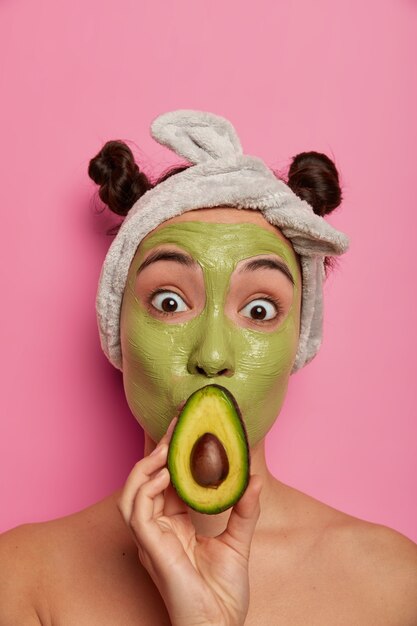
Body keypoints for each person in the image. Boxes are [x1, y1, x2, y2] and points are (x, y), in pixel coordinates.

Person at [1, 110, 416, 625]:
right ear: (116, 333)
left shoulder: (395, 584)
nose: (213, 356)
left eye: (259, 310)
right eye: (170, 302)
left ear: (299, 344)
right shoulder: (21, 578)